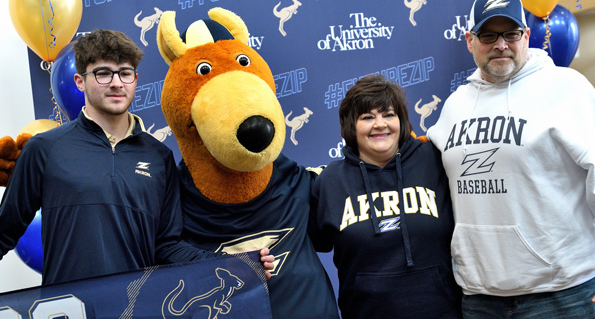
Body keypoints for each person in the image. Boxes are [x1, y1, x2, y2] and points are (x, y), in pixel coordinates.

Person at [0, 29, 273, 285]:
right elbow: (4, 230)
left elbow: (168, 246)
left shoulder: (159, 157)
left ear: (135, 80)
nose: (116, 83)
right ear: (80, 81)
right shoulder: (45, 148)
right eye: (103, 73)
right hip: (71, 309)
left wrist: (233, 265)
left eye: (125, 73)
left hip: (137, 307)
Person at [427, 0, 595, 318]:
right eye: (488, 35)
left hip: (562, 294)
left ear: (527, 36)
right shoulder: (456, 105)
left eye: (511, 34)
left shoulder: (568, 89)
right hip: (480, 298)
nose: (501, 44)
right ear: (469, 40)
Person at [309, 74, 462, 318]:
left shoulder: (435, 161)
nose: (380, 124)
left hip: (441, 312)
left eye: (389, 114)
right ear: (351, 126)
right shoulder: (330, 181)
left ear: (401, 121)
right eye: (367, 117)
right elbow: (304, 247)